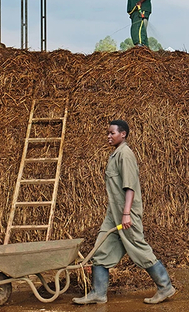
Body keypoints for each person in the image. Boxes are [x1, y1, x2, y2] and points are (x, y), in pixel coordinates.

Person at [73, 119, 176, 305]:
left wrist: (127, 213)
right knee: (100, 250)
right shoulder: (115, 155)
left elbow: (130, 187)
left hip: (125, 213)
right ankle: (98, 292)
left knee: (139, 248)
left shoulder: (125, 155)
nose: (109, 136)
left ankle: (165, 286)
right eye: (108, 133)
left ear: (123, 134)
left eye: (112, 133)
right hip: (113, 214)